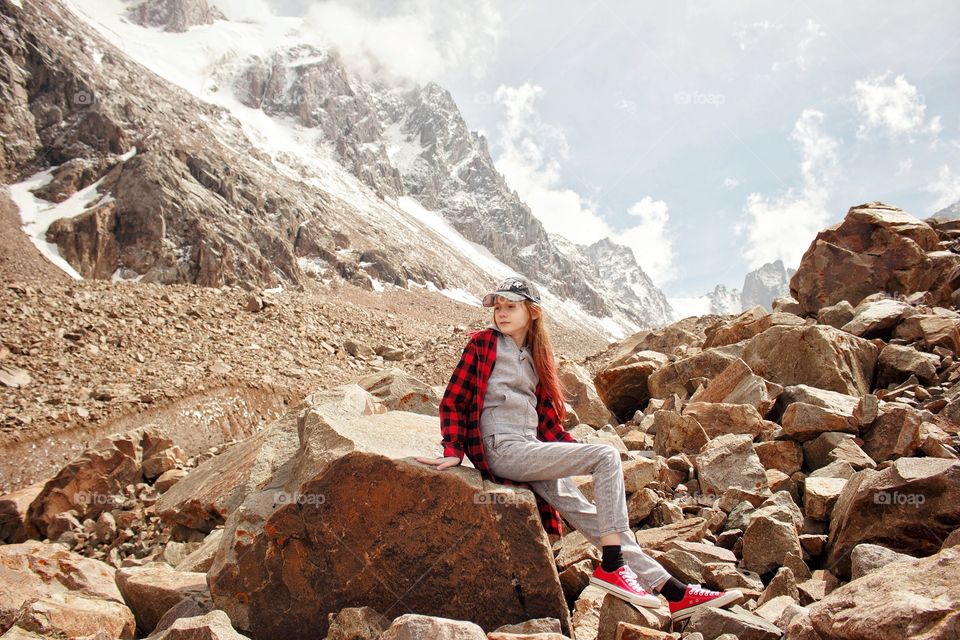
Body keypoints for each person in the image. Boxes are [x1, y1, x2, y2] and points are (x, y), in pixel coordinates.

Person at [416, 276, 742, 622]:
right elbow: (454, 399)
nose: (501, 313)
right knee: (605, 456)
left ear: (533, 312)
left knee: (589, 514)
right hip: (501, 448)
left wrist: (572, 453)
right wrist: (453, 449)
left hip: (530, 450)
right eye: (498, 307)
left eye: (510, 306)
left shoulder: (537, 357)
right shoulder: (483, 345)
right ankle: (612, 567)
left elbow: (547, 424)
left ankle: (673, 592)